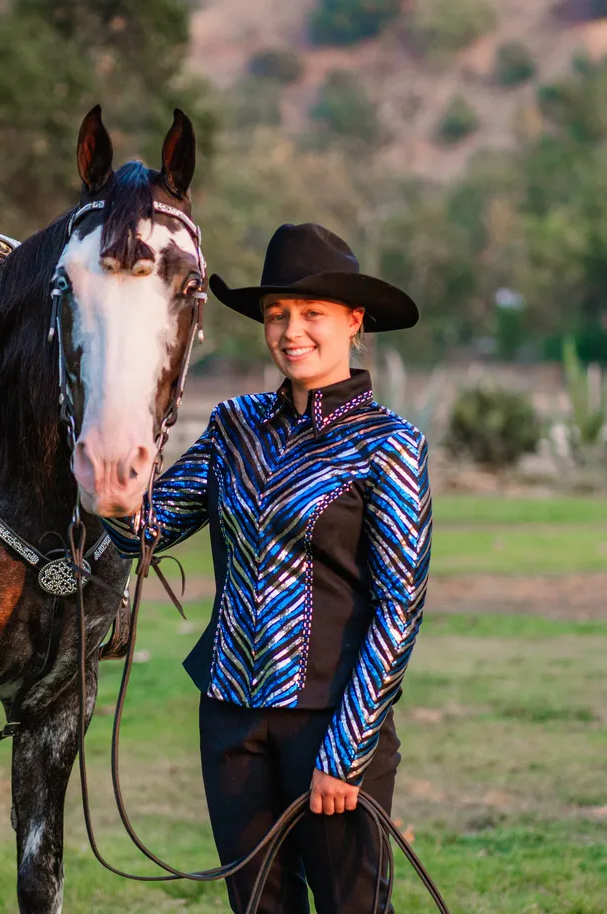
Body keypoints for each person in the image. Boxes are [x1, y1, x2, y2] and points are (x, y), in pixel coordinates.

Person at [104, 223, 432, 913]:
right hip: (229, 716)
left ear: (353, 321)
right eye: (278, 316)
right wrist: (112, 476)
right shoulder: (234, 428)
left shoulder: (390, 446)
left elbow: (398, 610)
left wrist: (346, 752)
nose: (291, 332)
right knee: (257, 908)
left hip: (332, 720)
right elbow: (147, 527)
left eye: (311, 315)